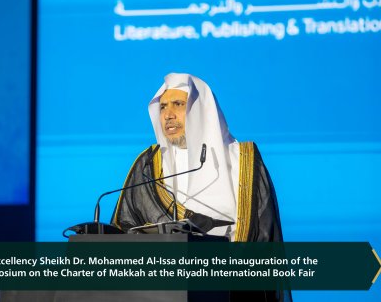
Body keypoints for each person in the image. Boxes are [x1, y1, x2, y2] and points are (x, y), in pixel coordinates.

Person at [111, 73, 291, 301]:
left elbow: (264, 233)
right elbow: (124, 227)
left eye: (178, 104)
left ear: (200, 109)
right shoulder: (148, 164)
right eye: (163, 106)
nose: (168, 115)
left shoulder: (242, 160)